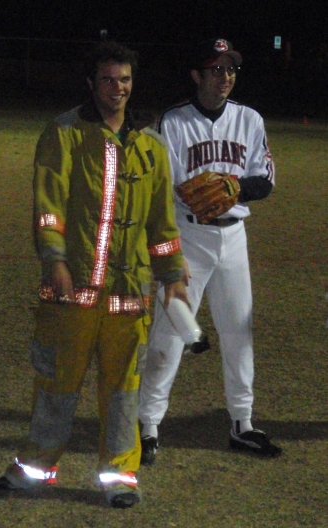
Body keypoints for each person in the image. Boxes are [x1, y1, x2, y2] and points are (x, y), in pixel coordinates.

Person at [0, 41, 188, 509]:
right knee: (58, 381)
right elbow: (48, 206)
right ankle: (36, 467)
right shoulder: (64, 133)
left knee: (124, 391)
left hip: (129, 295)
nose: (116, 88)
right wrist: (55, 261)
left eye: (124, 79)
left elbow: (162, 221)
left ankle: (120, 476)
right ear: (90, 83)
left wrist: (172, 274)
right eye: (107, 79)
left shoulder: (151, 144)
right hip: (72, 289)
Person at [138, 38, 282, 465]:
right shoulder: (174, 122)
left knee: (240, 330)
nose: (225, 78)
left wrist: (236, 187)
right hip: (189, 238)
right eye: (216, 69)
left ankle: (243, 422)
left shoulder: (249, 119)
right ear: (197, 75)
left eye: (231, 69)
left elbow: (266, 180)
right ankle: (147, 424)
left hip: (234, 237)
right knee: (169, 332)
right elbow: (160, 188)